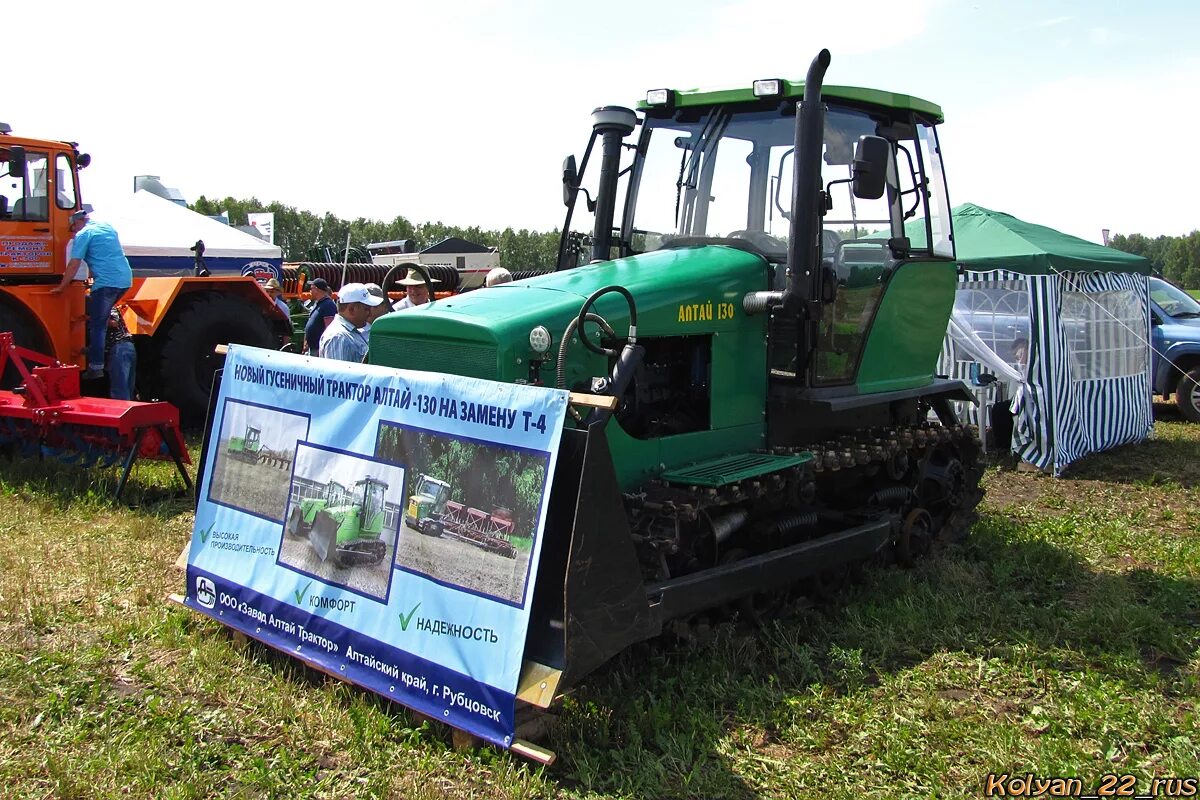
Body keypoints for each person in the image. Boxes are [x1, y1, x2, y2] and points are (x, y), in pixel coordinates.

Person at [51, 209, 132, 380]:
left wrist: (62, 287)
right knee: (98, 314)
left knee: (98, 326)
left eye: (72, 229)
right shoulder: (107, 227)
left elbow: (74, 264)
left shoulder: (83, 234)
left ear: (77, 223)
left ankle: (96, 366)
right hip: (125, 280)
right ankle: (92, 348)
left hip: (106, 284)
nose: (73, 232)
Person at [319, 283, 383, 362]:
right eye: (366, 309)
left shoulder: (347, 334)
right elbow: (339, 373)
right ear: (352, 309)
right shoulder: (339, 338)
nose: (369, 313)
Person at [105, 306, 136, 401]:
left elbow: (114, 322)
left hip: (120, 348)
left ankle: (125, 412)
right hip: (127, 348)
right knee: (127, 387)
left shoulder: (107, 305)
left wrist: (92, 319)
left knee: (120, 388)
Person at [303, 278, 337, 356]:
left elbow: (329, 328)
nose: (310, 291)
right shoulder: (318, 304)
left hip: (319, 349)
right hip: (312, 348)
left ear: (317, 289)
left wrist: (322, 349)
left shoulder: (328, 305)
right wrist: (306, 342)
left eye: (311, 288)